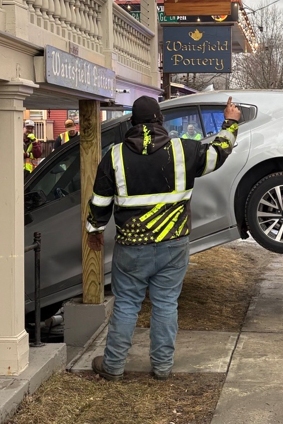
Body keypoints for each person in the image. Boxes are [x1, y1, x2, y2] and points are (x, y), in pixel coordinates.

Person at [86, 96, 241, 382]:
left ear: (131, 123)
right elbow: (218, 153)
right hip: (173, 244)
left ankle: (114, 366)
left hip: (132, 247)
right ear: (160, 121)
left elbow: (100, 202)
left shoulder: (114, 156)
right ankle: (162, 368)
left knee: (126, 304)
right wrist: (230, 122)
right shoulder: (184, 151)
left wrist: (94, 230)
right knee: (166, 304)